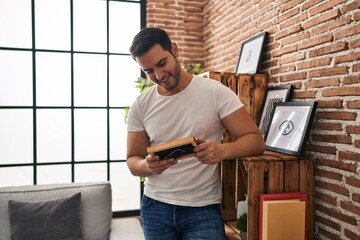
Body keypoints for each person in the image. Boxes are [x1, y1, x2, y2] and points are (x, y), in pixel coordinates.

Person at [126, 27, 265, 240]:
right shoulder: (141, 105)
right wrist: (147, 165)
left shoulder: (215, 92)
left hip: (203, 208)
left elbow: (256, 141)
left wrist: (221, 151)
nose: (159, 75)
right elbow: (132, 160)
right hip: (155, 207)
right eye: (149, 71)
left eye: (162, 64)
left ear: (175, 50)